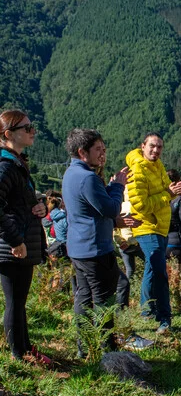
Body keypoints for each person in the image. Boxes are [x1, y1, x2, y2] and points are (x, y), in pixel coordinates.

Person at [62, 129, 128, 356]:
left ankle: (85, 348)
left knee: (83, 297)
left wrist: (108, 188)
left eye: (104, 149)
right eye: (98, 149)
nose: (103, 154)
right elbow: (110, 209)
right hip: (96, 248)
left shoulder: (71, 173)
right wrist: (118, 186)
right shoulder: (88, 178)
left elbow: (92, 204)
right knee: (103, 299)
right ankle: (107, 349)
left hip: (78, 247)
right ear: (83, 152)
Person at [0, 110, 51, 364]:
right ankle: (19, 355)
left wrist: (41, 207)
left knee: (19, 301)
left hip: (21, 243)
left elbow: (18, 203)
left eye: (32, 127)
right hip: (12, 247)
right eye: (27, 128)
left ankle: (25, 349)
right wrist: (15, 241)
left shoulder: (17, 163)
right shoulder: (5, 166)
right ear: (9, 134)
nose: (33, 132)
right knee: (14, 301)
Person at [126, 133, 181, 334]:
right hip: (147, 226)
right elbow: (141, 205)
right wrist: (168, 194)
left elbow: (165, 194)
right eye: (152, 146)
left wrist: (175, 191)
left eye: (159, 147)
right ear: (142, 146)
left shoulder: (158, 165)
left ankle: (147, 310)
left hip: (161, 226)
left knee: (152, 269)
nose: (156, 150)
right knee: (160, 271)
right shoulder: (138, 170)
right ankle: (164, 318)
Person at [166, 168, 181, 275]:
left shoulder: (161, 197)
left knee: (167, 277)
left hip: (165, 242)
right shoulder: (179, 200)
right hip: (179, 242)